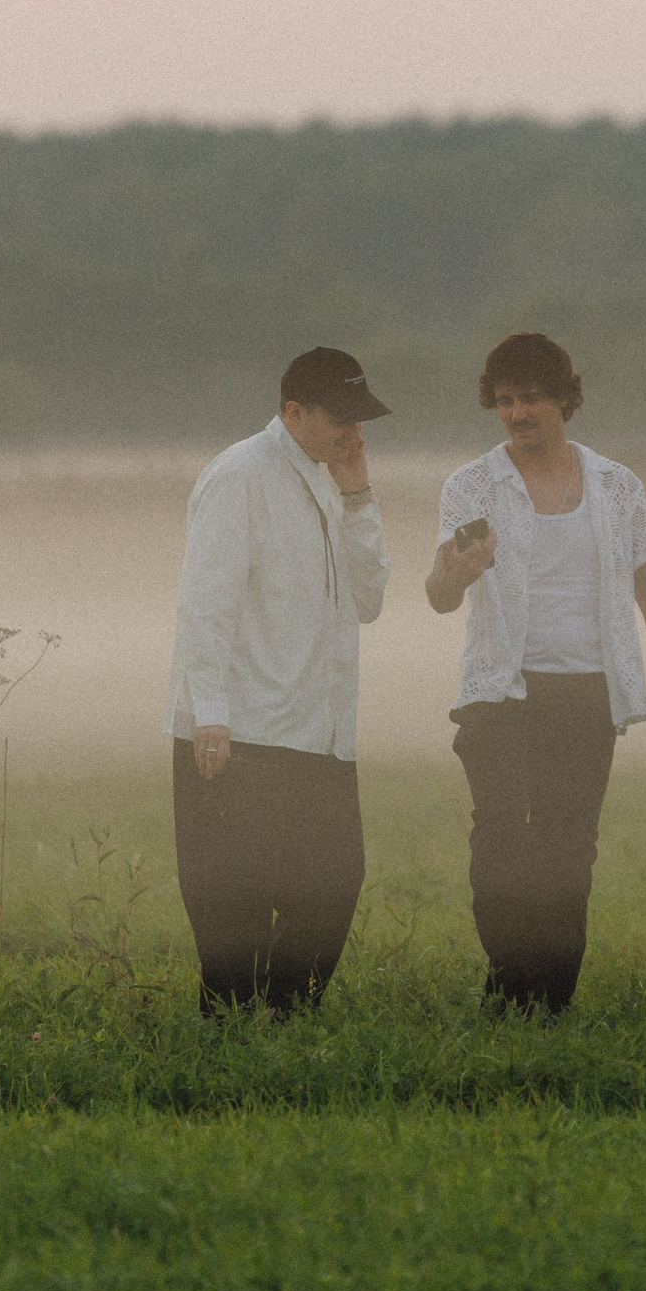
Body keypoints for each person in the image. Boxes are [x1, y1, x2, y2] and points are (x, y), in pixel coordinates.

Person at [425, 332, 646, 1013]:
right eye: (507, 400)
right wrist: (459, 568)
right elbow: (439, 592)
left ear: (566, 400)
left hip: (586, 695)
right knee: (500, 846)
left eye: (533, 399)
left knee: (569, 852)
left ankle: (549, 1002)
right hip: (501, 693)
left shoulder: (615, 488)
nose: (518, 413)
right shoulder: (474, 487)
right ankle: (511, 981)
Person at [165, 346, 394, 1015]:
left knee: (333, 888)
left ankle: (286, 1021)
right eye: (341, 418)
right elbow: (206, 602)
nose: (355, 432)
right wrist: (209, 711)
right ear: (295, 412)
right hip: (238, 733)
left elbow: (370, 598)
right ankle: (231, 1049)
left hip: (320, 736)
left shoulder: (331, 479)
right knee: (232, 916)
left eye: (362, 418)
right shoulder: (239, 476)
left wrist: (358, 496)